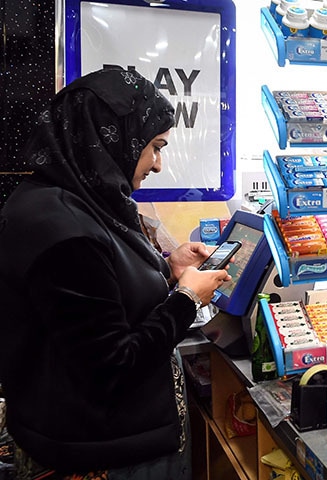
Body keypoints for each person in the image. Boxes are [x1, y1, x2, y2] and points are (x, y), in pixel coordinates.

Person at [0, 67, 231, 479]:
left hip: (104, 440)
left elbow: (105, 293)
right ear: (111, 137)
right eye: (155, 147)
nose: (158, 165)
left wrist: (167, 267)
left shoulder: (71, 199)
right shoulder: (65, 232)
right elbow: (112, 366)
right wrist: (186, 299)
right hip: (104, 456)